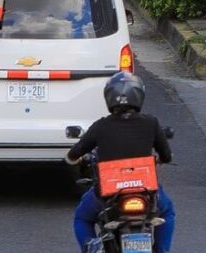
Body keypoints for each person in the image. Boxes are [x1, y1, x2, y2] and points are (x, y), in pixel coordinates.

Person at [66, 72, 175, 253]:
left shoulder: (101, 126)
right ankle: (162, 250)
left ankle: (93, 246)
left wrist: (73, 158)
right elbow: (167, 156)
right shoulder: (151, 123)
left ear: (109, 97)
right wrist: (159, 159)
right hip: (146, 193)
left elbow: (74, 153)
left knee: (82, 218)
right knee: (167, 212)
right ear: (139, 95)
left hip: (109, 195)